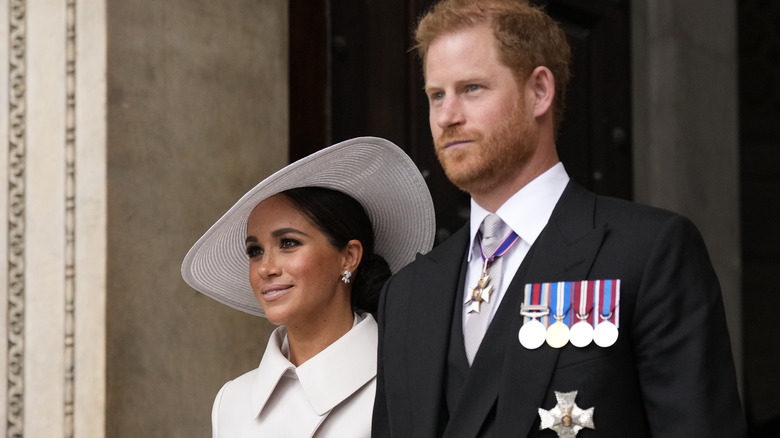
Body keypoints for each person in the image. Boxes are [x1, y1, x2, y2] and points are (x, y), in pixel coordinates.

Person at [371, 1, 747, 437]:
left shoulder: (648, 253)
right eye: (436, 95)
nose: (447, 116)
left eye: (472, 88)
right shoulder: (407, 294)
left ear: (539, 92)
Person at [182, 137, 435, 437]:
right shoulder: (232, 402)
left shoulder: (410, 386)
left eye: (288, 243)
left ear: (349, 256)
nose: (265, 267)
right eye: (255, 251)